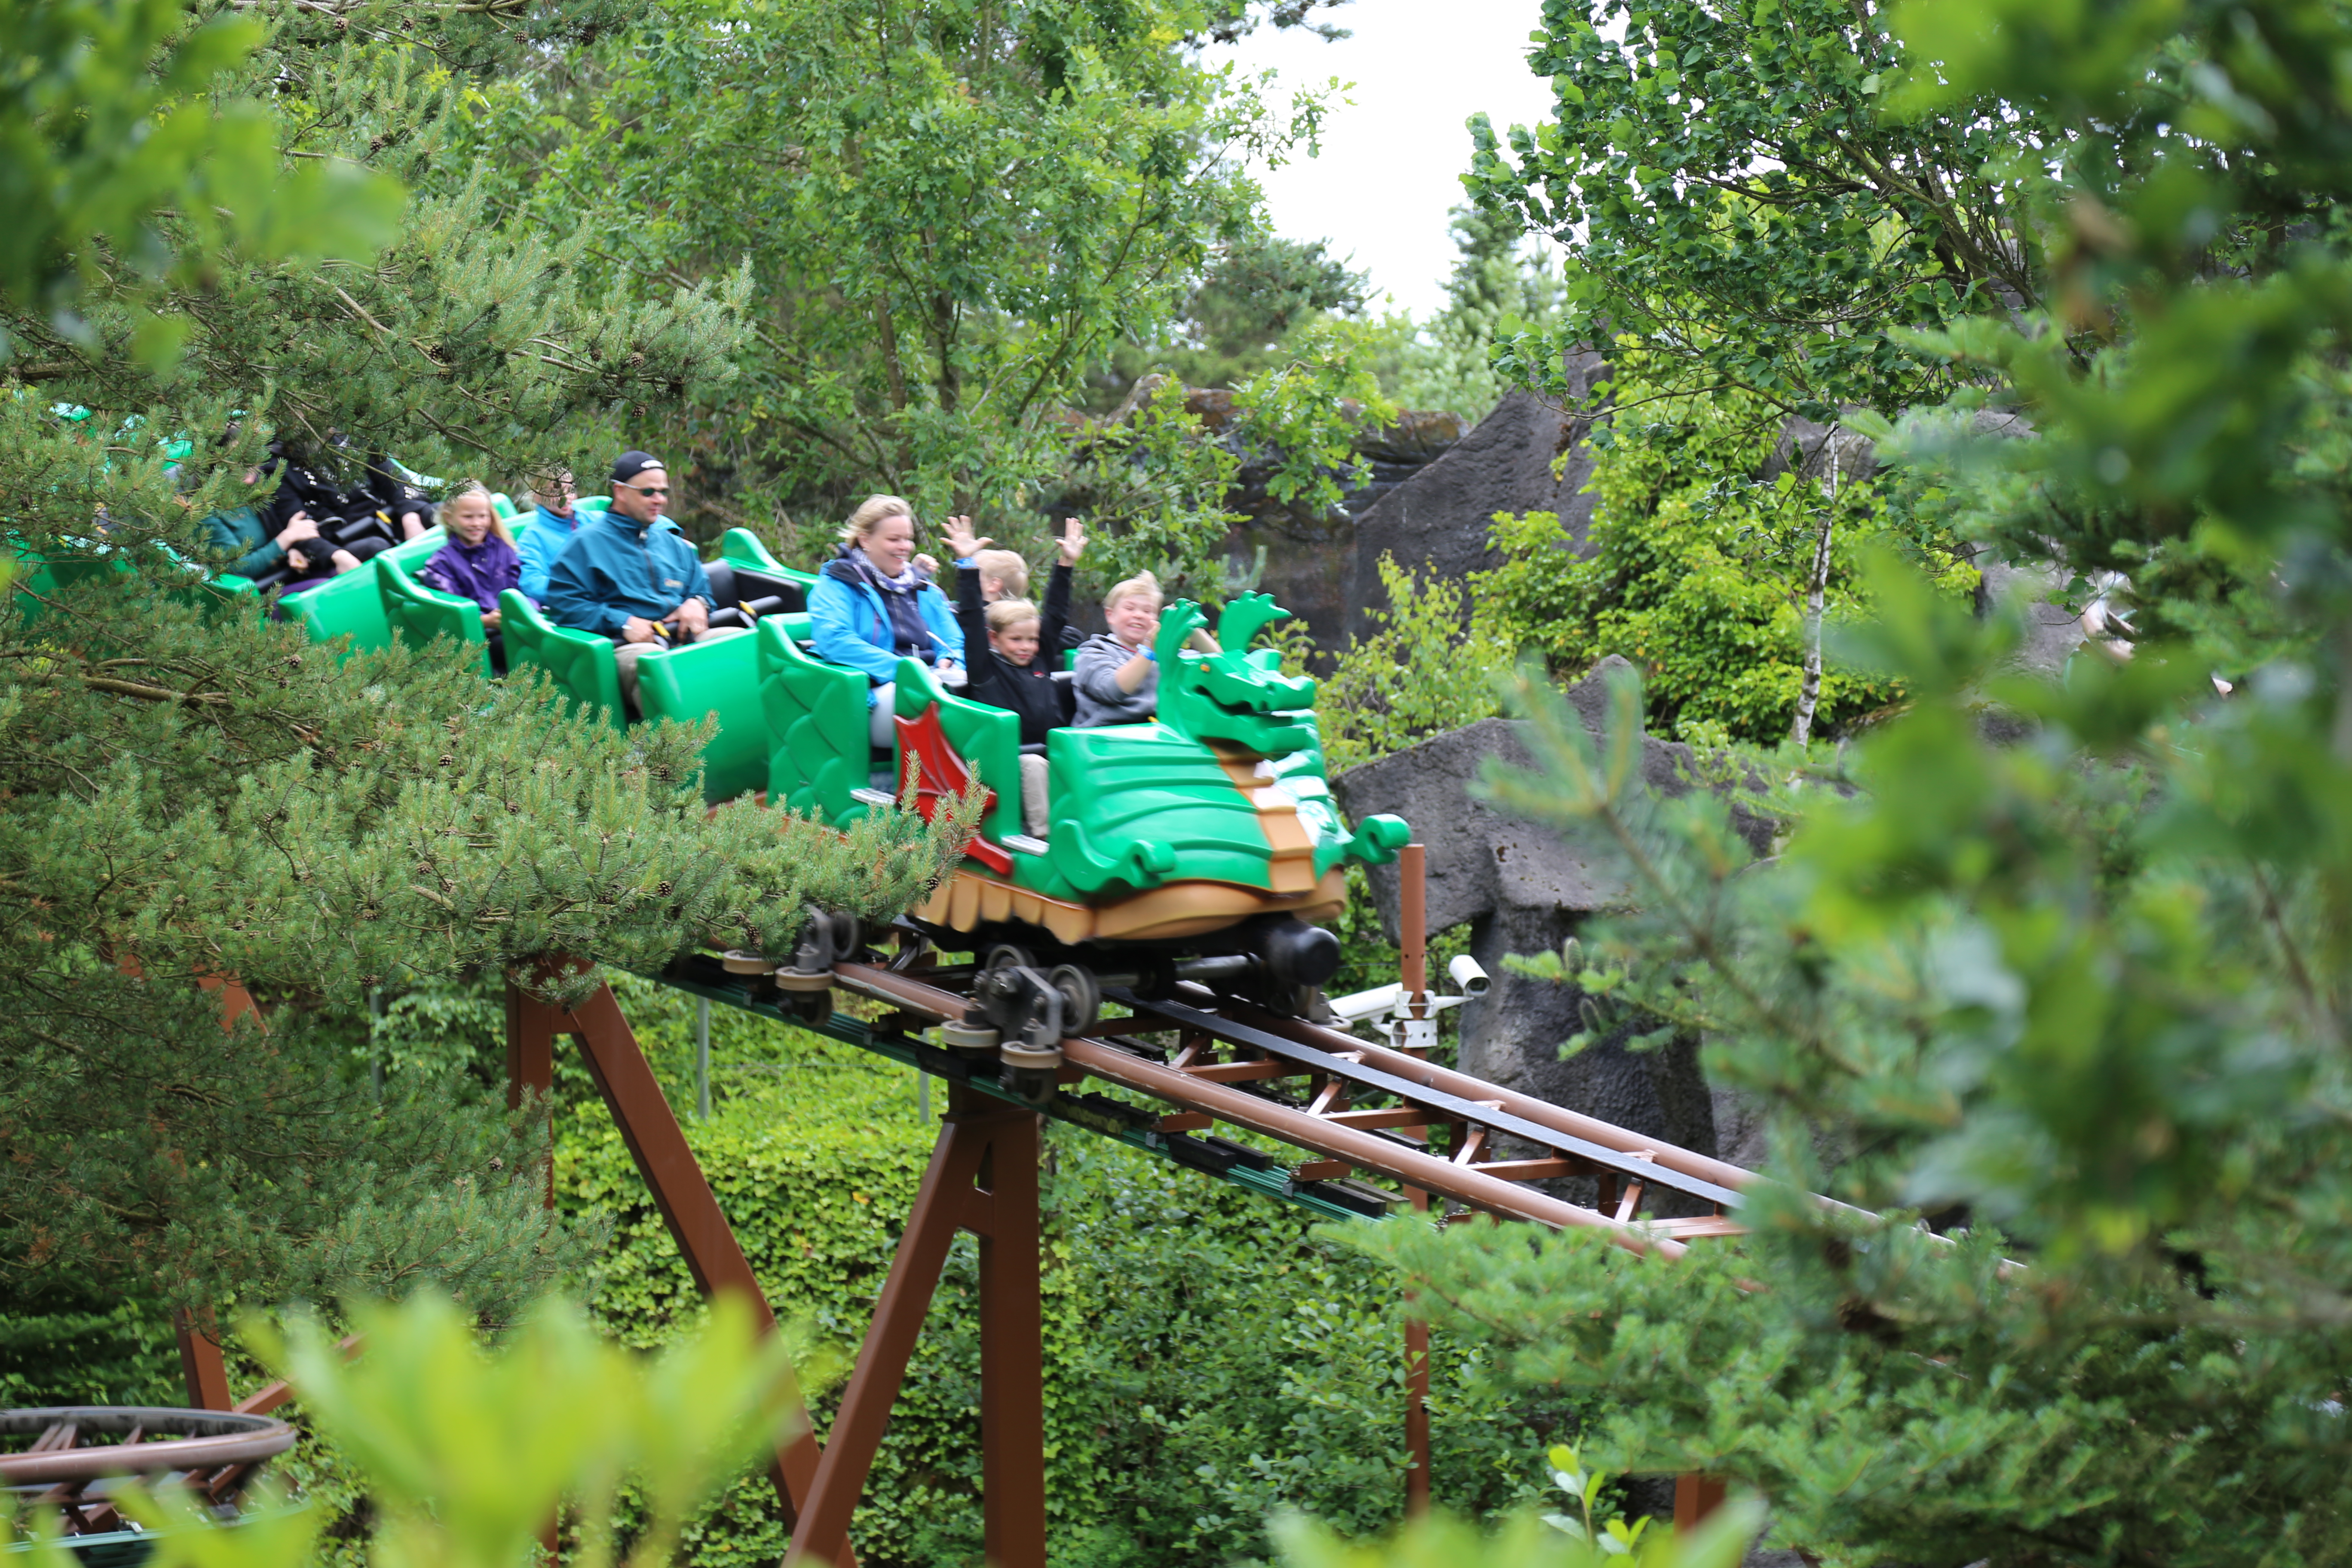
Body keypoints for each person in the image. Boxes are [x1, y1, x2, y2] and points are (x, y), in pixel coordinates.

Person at [543, 451, 745, 716]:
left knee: (742, 643)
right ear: (620, 491)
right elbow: (564, 606)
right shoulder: (585, 545)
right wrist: (623, 622)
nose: (659, 500)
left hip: (682, 638)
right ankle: (673, 753)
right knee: (655, 665)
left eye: (663, 492)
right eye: (648, 492)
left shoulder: (674, 544)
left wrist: (697, 603)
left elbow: (700, 589)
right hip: (624, 647)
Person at [944, 518, 1085, 836]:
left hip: (1049, 749)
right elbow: (970, 617)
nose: (1027, 648)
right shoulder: (985, 669)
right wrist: (967, 564)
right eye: (1017, 640)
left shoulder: (1039, 661)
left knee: (1079, 756)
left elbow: (1056, 615)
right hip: (1004, 757)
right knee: (1035, 767)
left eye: (1032, 640)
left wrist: (1066, 564)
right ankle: (1043, 837)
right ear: (994, 639)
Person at [809, 495, 964, 749]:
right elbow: (835, 640)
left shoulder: (923, 588)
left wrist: (950, 660)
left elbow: (953, 641)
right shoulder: (839, 583)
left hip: (931, 680)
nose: (905, 547)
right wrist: (908, 672)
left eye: (908, 539)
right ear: (865, 539)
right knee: (931, 701)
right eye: (894, 539)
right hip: (874, 693)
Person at [1073, 570, 1216, 726]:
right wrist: (1149, 651)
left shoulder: (1167, 654)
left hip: (1161, 733)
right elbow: (1113, 690)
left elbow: (1218, 667)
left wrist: (1191, 627)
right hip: (1106, 738)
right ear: (1110, 615)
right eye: (1130, 608)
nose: (1139, 615)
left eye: (1147, 611)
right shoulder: (1093, 651)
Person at [417, 483, 523, 671]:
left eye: (482, 516)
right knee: (515, 648)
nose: (477, 523)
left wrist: (520, 611)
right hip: (480, 635)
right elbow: (452, 613)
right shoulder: (441, 564)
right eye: (468, 517)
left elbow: (519, 587)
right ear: (450, 519)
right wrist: (485, 620)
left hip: (514, 624)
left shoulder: (502, 549)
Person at [516, 468, 584, 602]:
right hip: (575, 601)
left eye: (570, 490)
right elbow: (531, 583)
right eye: (555, 491)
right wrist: (574, 590)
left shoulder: (593, 519)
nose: (565, 498)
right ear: (537, 496)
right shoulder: (532, 538)